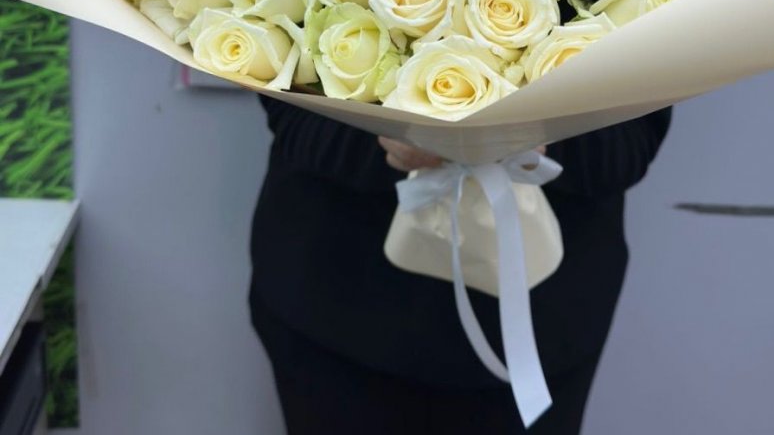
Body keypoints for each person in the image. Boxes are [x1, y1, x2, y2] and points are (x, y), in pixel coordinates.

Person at [249, 97, 671, 434]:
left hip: (539, 332)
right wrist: (388, 138)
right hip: (333, 312)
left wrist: (539, 135)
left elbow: (631, 139)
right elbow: (287, 98)